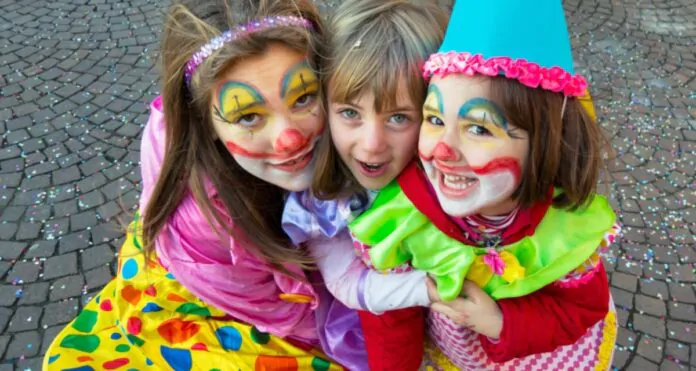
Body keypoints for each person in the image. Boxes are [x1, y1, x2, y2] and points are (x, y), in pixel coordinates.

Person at [43, 0, 347, 369]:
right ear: (205, 124)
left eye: (303, 97)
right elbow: (290, 320)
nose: (289, 139)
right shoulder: (208, 223)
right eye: (248, 116)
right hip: (227, 299)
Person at [346, 0, 619, 369]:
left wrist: (501, 323)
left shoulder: (565, 227)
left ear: (544, 143)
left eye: (478, 128)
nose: (442, 150)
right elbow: (391, 318)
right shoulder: (401, 219)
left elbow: (581, 308)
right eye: (435, 119)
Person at [282, 0, 448, 369]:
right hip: (383, 317)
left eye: (400, 117)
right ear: (325, 104)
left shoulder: (452, 173)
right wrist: (429, 289)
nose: (372, 143)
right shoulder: (324, 197)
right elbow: (344, 281)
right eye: (350, 113)